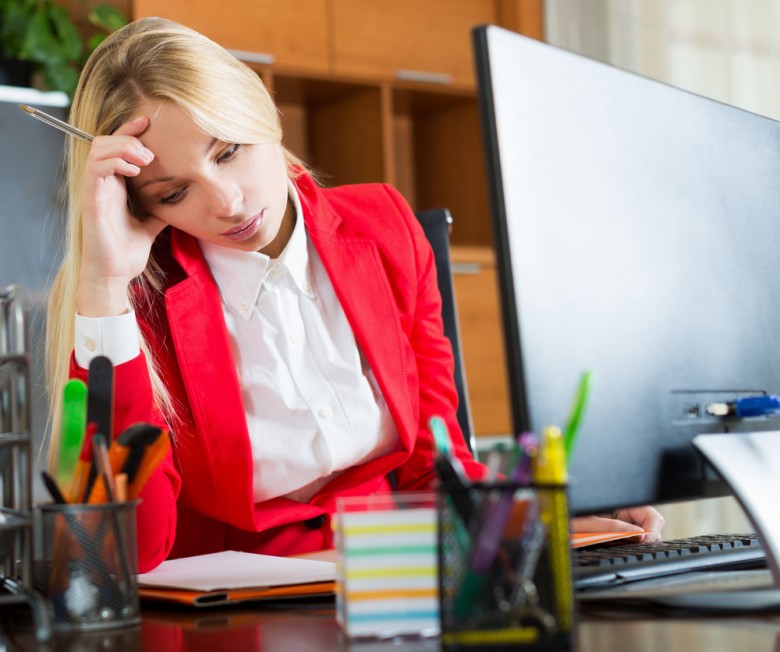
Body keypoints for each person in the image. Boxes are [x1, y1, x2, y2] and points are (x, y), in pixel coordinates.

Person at [44, 17, 662, 573]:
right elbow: (126, 551)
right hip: (230, 616)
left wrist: (547, 525)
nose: (227, 202)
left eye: (229, 151)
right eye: (173, 194)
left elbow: (433, 464)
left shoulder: (385, 227)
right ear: (137, 203)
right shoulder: (136, 301)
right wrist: (104, 290)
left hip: (398, 581)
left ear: (264, 112)